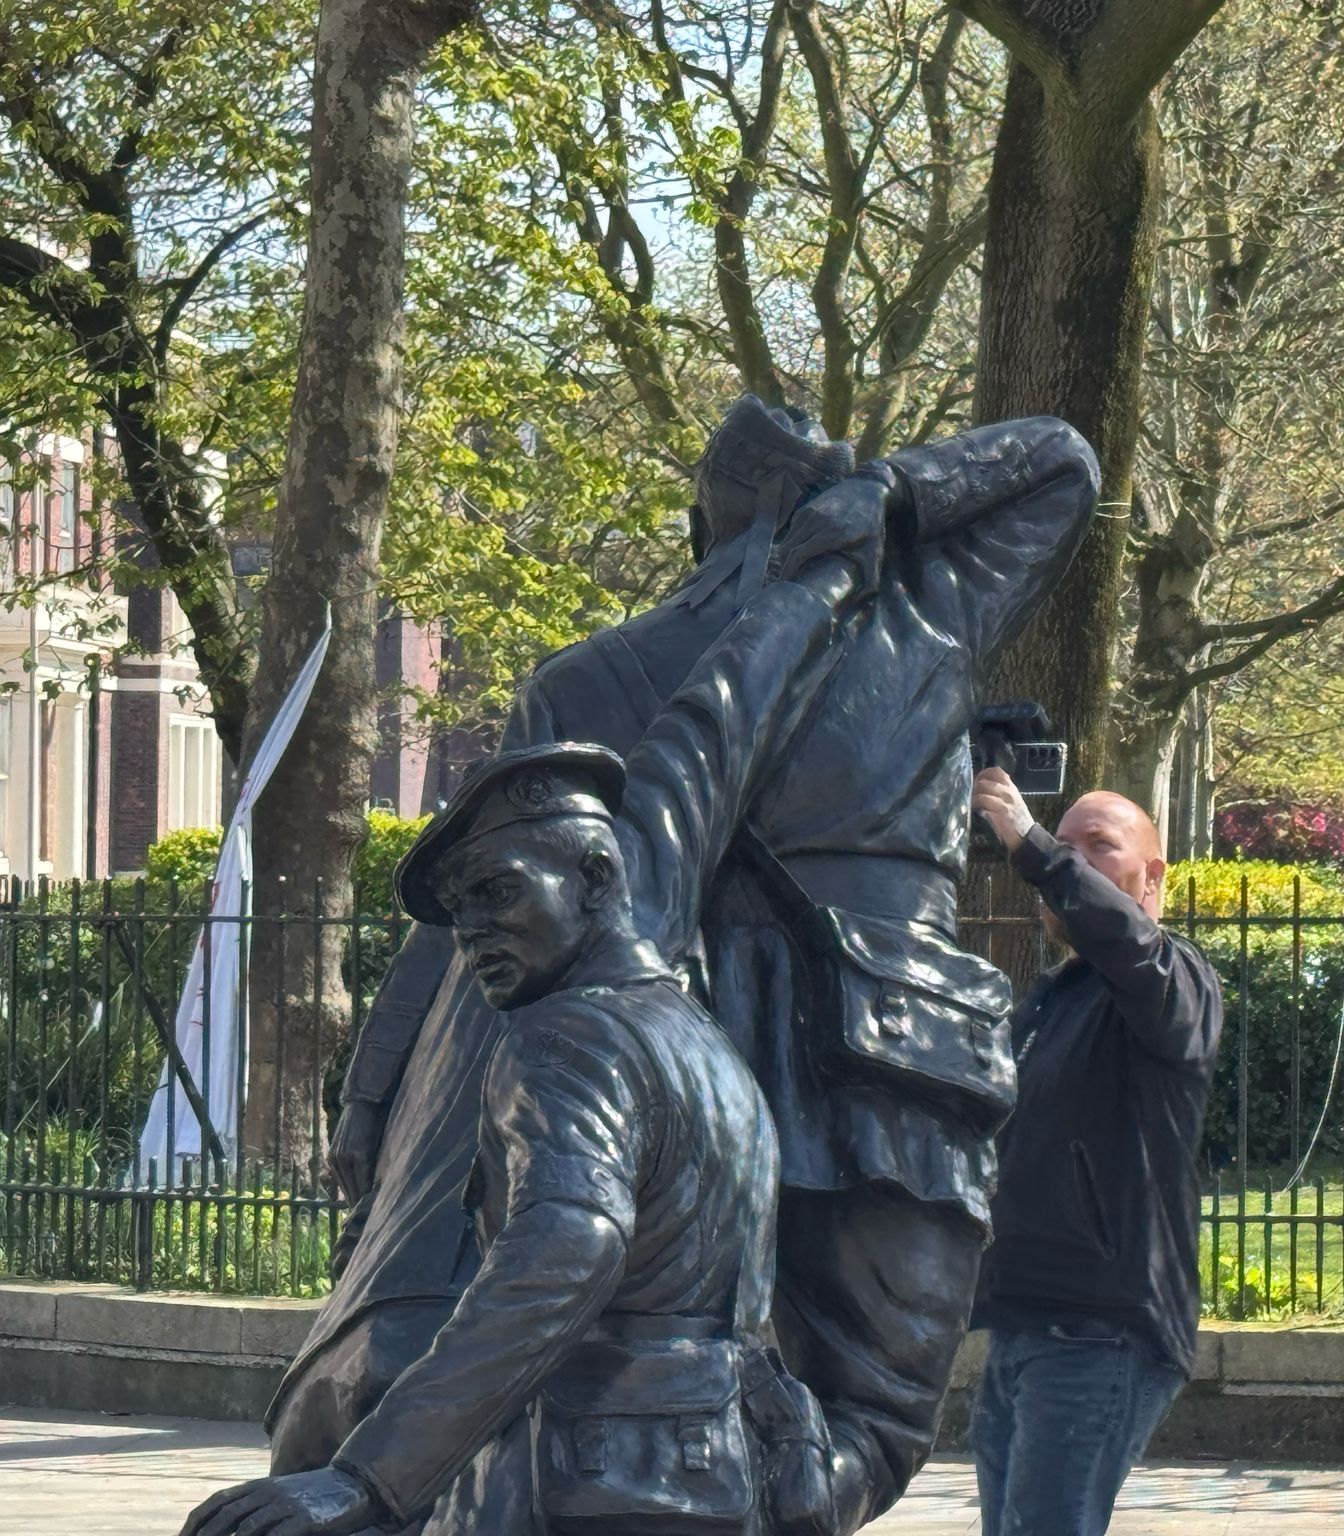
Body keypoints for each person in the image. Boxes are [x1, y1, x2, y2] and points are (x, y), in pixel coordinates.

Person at [276, 397, 1099, 1533]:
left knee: (663, 1373)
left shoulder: (593, 680)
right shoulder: (927, 611)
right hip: (891, 1078)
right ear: (834, 493)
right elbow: (1059, 459)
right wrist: (894, 496)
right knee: (872, 1424)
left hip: (703, 1055)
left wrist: (373, 1097)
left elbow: (462, 919)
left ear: (696, 525)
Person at [179, 495, 874, 1536]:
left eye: (497, 893)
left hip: (593, 1482)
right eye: (459, 913)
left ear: (596, 878)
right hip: (718, 1475)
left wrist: (365, 1478)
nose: (473, 934)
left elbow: (566, 1250)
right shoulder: (698, 1043)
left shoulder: (569, 1040)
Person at [963, 770, 1224, 1536]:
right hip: (1021, 1328)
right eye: (1064, 844)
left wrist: (1036, 844)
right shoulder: (1049, 1004)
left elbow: (1129, 946)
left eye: (1097, 848)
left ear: (1153, 878)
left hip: (1100, 1333)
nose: (1069, 862)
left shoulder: (1176, 983)